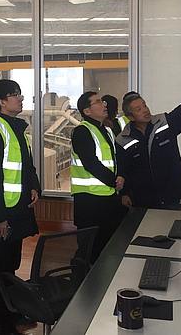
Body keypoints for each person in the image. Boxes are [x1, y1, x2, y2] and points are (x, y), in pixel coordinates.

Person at [0, 80, 40, 335]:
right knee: (0, 269)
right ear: (2, 102)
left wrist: (34, 186)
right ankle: (2, 324)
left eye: (20, 94)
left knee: (11, 264)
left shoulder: (16, 127)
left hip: (18, 207)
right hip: (4, 211)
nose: (21, 98)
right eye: (15, 95)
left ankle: (12, 312)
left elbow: (26, 164)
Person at [116, 75, 181, 210]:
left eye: (144, 105)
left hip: (170, 194)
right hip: (143, 198)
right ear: (130, 117)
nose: (145, 110)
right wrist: (124, 193)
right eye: (138, 109)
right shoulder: (123, 139)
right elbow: (123, 169)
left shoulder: (164, 123)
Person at [70, 91, 125, 263]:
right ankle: (84, 278)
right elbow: (90, 163)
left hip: (108, 197)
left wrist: (121, 176)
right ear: (87, 111)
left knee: (108, 246)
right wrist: (114, 181)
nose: (104, 105)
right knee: (90, 250)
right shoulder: (82, 131)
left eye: (103, 101)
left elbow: (116, 159)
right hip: (89, 200)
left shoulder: (107, 130)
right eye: (98, 102)